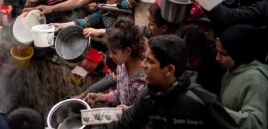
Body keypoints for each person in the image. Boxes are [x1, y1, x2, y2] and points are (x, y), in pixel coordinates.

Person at [96, 35, 240, 129]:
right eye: (144, 59)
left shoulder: (203, 103)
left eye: (150, 61)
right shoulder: (149, 97)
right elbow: (124, 125)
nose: (143, 65)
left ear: (169, 69)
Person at [85, 18, 146, 112]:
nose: (110, 56)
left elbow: (148, 112)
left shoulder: (145, 78)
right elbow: (121, 94)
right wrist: (102, 97)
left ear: (128, 51)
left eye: (114, 53)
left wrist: (129, 111)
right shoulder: (121, 66)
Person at [216, 25, 268, 129]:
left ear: (238, 53)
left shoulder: (255, 80)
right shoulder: (232, 69)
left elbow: (256, 123)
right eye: (217, 52)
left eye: (223, 54)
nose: (217, 58)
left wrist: (217, 112)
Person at [52, 0, 131, 38]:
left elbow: (122, 31)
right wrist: (60, 26)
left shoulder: (127, 12)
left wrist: (99, 31)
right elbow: (86, 21)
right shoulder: (105, 11)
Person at [177, 25, 225, 96]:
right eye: (184, 59)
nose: (187, 64)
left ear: (201, 55)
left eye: (191, 60)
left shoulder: (215, 64)